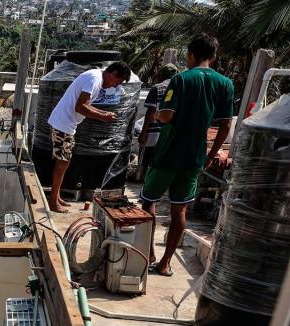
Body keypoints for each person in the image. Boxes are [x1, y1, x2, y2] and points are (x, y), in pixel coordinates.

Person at [141, 35, 234, 276]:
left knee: (148, 201)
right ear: (213, 57)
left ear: (190, 54)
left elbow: (168, 115)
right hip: (194, 156)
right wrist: (212, 154)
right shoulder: (225, 84)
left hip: (168, 152)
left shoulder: (181, 79)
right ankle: (165, 263)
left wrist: (157, 115)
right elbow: (225, 125)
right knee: (179, 210)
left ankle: (148, 253)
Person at [46, 61, 133, 212]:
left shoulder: (95, 77)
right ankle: (53, 202)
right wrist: (102, 117)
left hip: (65, 124)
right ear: (112, 74)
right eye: (116, 82)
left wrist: (103, 113)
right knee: (62, 163)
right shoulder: (94, 80)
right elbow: (80, 107)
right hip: (63, 124)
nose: (114, 87)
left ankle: (56, 196)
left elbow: (85, 104)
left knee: (64, 162)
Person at [137, 63, 180, 180]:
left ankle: (144, 182)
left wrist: (143, 133)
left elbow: (151, 112)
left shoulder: (157, 88)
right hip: (171, 133)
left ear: (161, 75)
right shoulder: (180, 89)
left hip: (153, 133)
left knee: (147, 161)